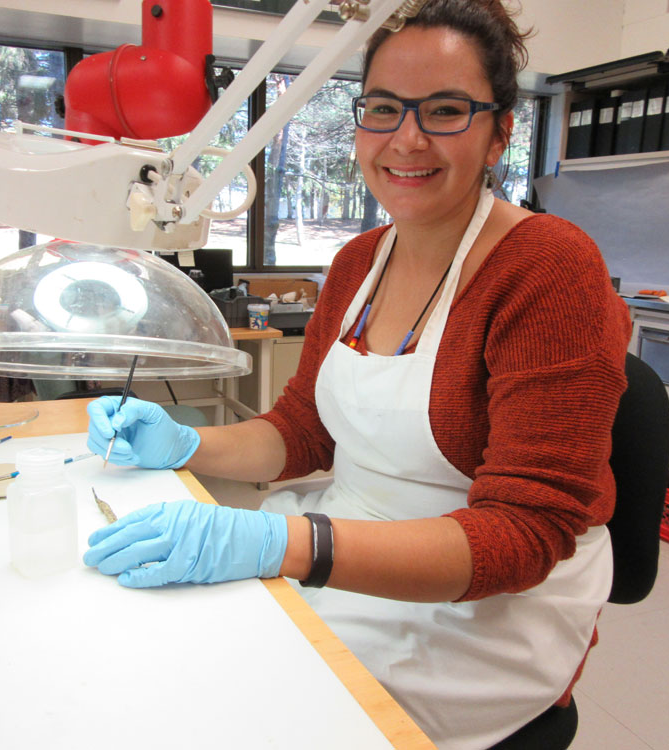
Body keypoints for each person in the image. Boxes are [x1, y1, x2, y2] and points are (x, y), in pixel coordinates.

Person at [83, 1, 631, 747]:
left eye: (445, 110)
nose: (406, 138)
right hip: (346, 535)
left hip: (484, 606)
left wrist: (284, 546)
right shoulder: (355, 263)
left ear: (500, 130)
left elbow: (524, 534)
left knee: (263, 710)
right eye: (383, 108)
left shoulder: (548, 268)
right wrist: (184, 444)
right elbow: (303, 431)